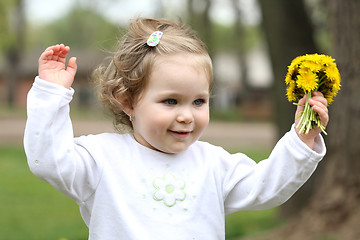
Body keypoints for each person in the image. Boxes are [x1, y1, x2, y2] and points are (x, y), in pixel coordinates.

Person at [24, 18, 328, 240]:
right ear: (127, 101)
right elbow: (49, 162)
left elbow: (266, 187)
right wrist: (51, 95)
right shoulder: (101, 158)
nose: (186, 116)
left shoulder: (214, 164)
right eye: (170, 101)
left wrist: (301, 139)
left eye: (198, 101)